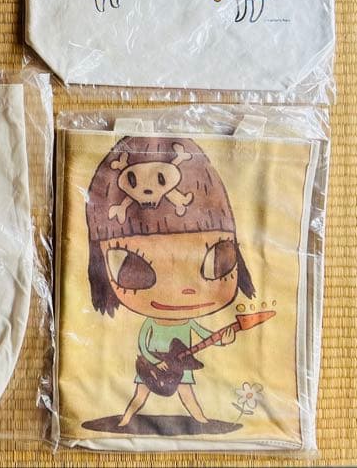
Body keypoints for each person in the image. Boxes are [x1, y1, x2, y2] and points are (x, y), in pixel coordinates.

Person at [85, 137, 255, 428]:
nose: (182, 290)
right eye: (133, 267)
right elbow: (144, 344)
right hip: (154, 365)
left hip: (178, 365)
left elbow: (203, 334)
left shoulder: (186, 324)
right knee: (140, 393)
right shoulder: (153, 325)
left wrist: (223, 337)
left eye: (217, 260)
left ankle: (200, 419)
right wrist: (155, 361)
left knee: (187, 392)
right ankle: (126, 419)